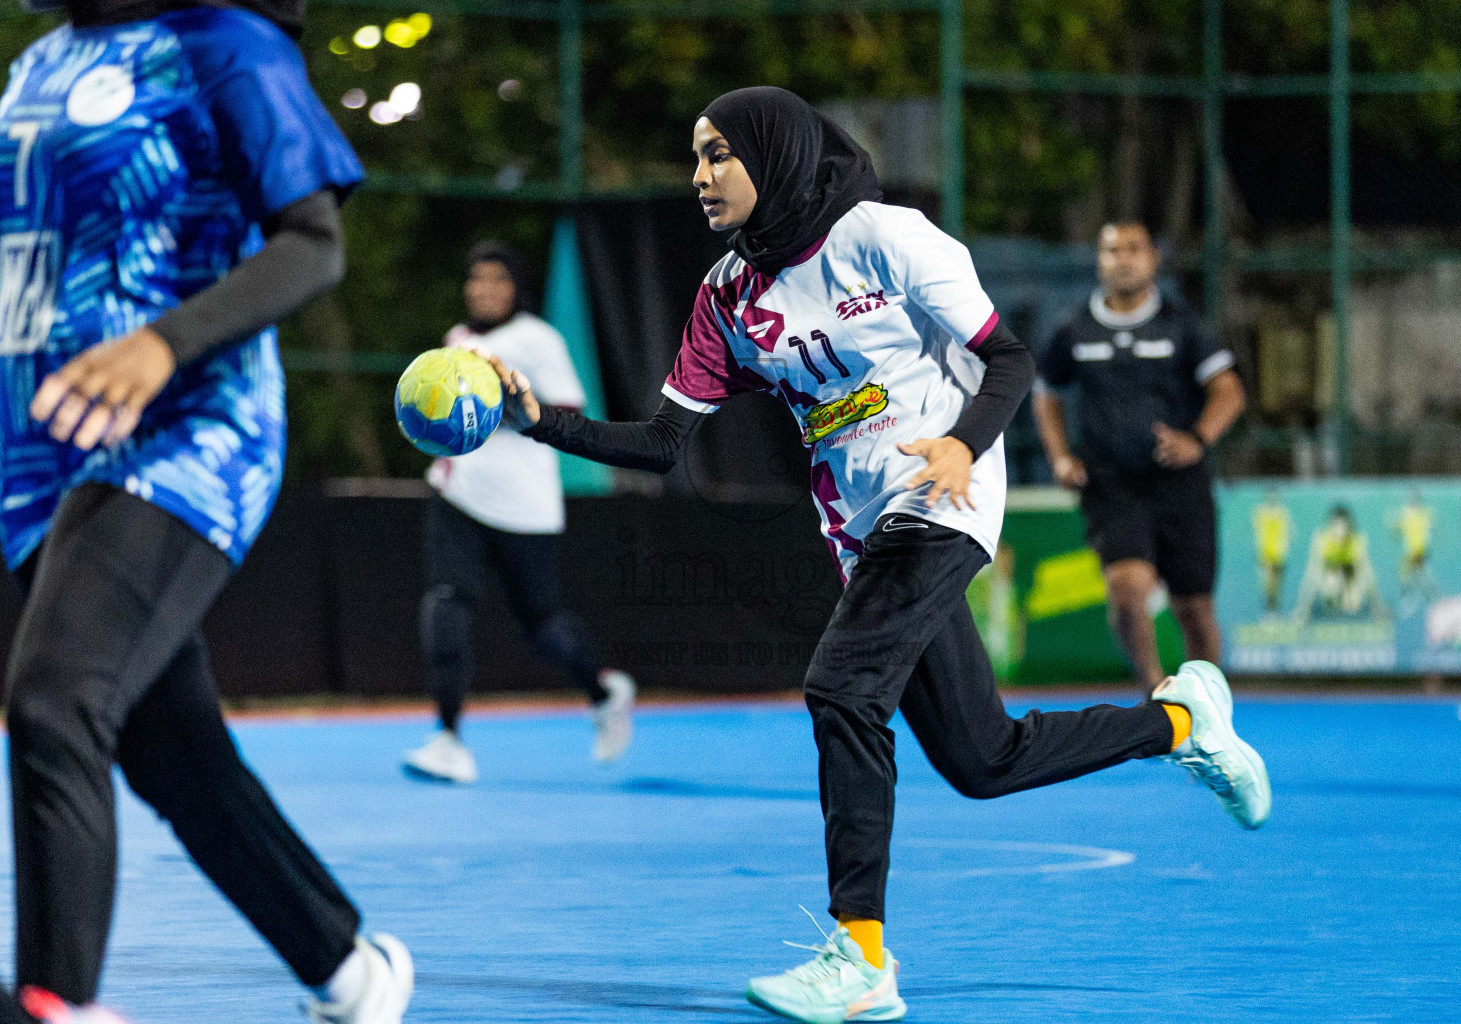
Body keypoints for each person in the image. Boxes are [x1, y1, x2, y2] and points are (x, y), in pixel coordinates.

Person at [482, 86, 1271, 1024]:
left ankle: (860, 956)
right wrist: (536, 424)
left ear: (773, 156)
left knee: (843, 686)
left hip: (943, 492)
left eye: (718, 155)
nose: (699, 176)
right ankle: (1180, 722)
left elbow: (1009, 359)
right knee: (985, 759)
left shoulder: (888, 238)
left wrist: (960, 445)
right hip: (861, 530)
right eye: (694, 157)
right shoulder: (727, 295)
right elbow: (662, 444)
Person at [0, 4, 411, 1021]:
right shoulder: (39, 60)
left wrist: (162, 345)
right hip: (37, 453)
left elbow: (313, 245)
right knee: (171, 749)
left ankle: (56, 1004)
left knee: (55, 704)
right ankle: (350, 969)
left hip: (183, 434)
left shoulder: (225, 41)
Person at [402, 241, 637, 783]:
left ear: (516, 287)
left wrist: (510, 408)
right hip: (456, 496)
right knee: (446, 602)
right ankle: (448, 739)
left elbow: (571, 411)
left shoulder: (537, 339)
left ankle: (603, 694)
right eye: (475, 278)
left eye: (497, 279)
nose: (483, 289)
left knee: (544, 625)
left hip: (524, 507)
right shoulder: (456, 344)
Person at [1033, 223, 1248, 698]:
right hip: (1111, 485)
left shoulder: (1183, 325)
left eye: (1134, 249)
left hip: (1180, 486)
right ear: (1099, 259)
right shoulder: (1073, 329)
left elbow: (1229, 391)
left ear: (1153, 258)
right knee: (1128, 590)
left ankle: (1209, 705)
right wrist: (1061, 457)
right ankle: (1157, 698)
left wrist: (1198, 437)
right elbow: (1046, 394)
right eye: (1112, 250)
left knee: (1192, 607)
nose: (1123, 259)